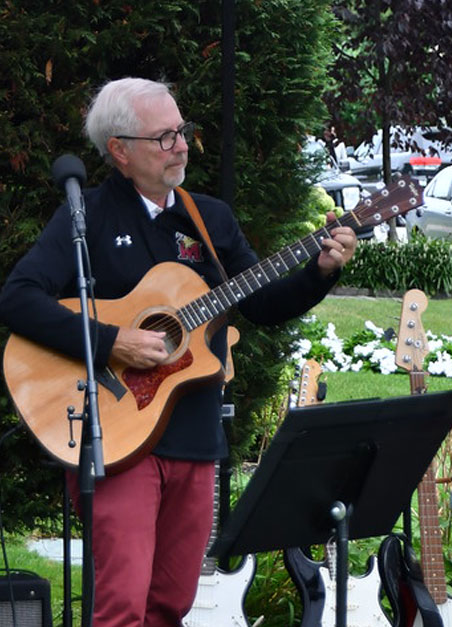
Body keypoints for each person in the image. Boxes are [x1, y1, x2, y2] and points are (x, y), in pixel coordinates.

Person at [0, 77, 357, 626]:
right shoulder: (87, 216)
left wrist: (320, 272)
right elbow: (18, 298)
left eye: (183, 132)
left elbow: (261, 304)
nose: (182, 146)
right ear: (120, 151)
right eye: (164, 137)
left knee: (171, 603)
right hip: (116, 440)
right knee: (121, 604)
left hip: (193, 434)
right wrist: (113, 340)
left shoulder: (208, 219)